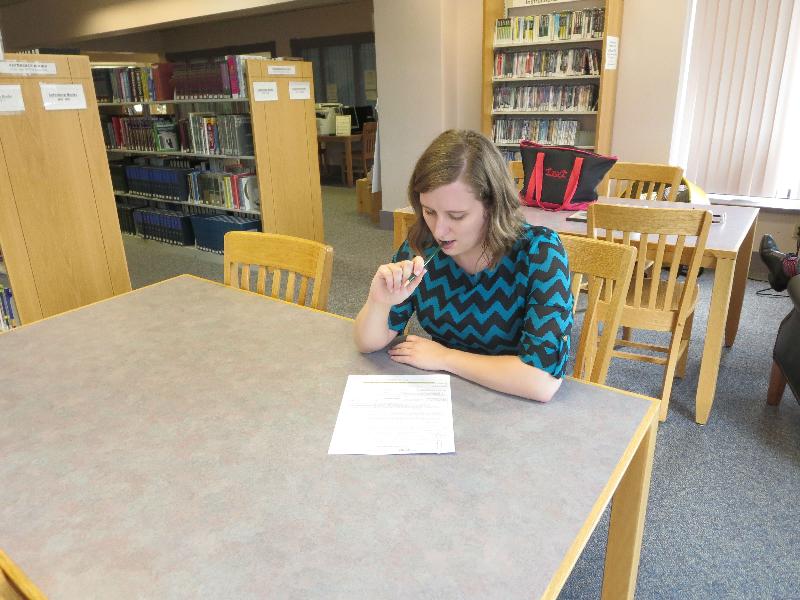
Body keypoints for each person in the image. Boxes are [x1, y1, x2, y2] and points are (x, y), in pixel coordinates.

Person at [354, 130, 574, 403]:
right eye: (429, 211)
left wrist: (446, 358)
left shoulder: (539, 252)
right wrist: (378, 302)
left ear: (492, 206)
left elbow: (540, 381)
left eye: (456, 216)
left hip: (512, 405)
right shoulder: (423, 246)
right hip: (452, 398)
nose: (440, 230)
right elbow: (368, 343)